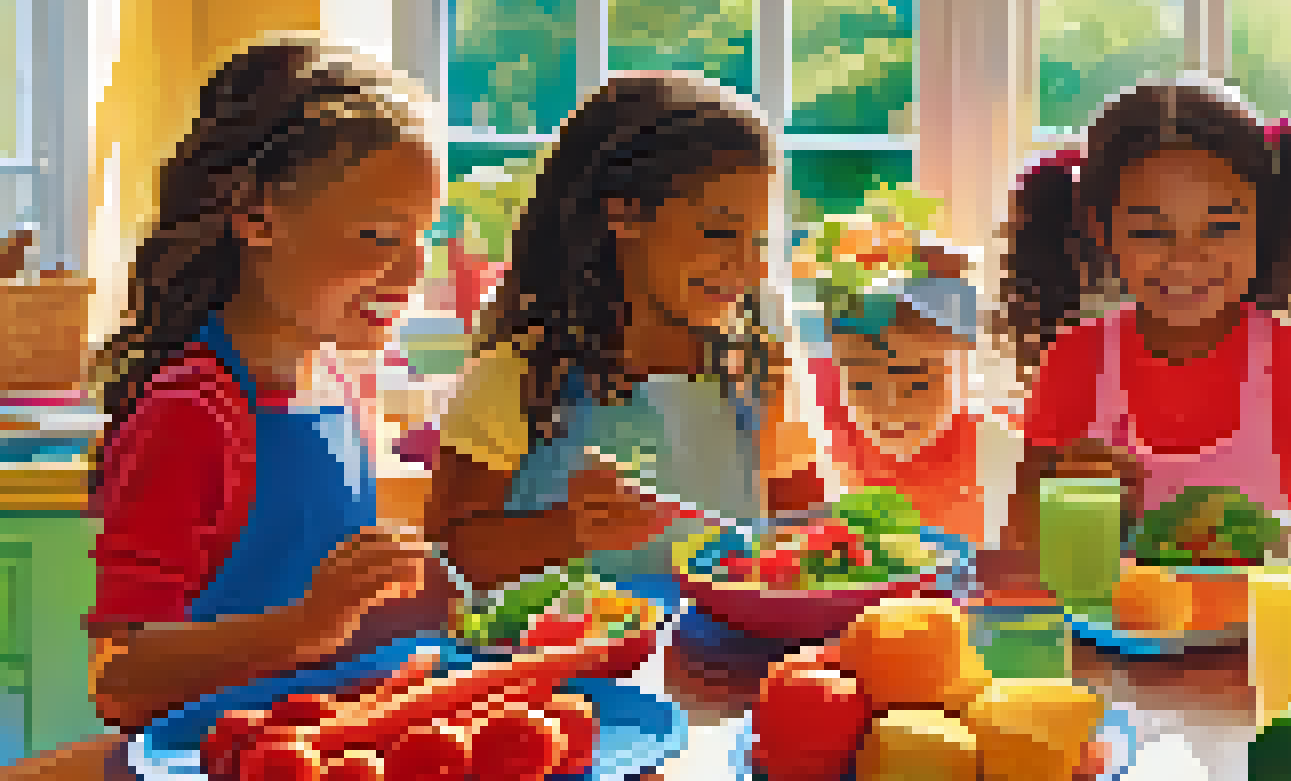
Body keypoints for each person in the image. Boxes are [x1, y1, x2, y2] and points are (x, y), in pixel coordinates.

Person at [85, 37, 444, 730]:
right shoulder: (189, 413)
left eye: (421, 237)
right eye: (377, 235)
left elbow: (329, 616)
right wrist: (305, 627)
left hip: (330, 765)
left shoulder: (339, 382)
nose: (409, 275)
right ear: (256, 217)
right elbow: (123, 680)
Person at [428, 73, 821, 590]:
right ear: (625, 213)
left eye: (760, 241)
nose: (751, 268)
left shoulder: (758, 376)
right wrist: (566, 530)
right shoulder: (521, 376)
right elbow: (448, 558)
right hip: (562, 667)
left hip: (720, 663)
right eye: (721, 232)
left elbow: (811, 535)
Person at [994, 83, 1291, 566]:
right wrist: (1068, 502)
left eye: (1220, 227)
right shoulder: (1074, 362)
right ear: (1100, 229)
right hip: (1109, 639)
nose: (1186, 259)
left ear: (1265, 223)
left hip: (1257, 636)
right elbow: (1018, 552)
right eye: (1152, 231)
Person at [800, 225, 1019, 547]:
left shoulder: (1000, 454)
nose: (889, 406)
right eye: (861, 383)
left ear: (963, 365)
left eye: (917, 382)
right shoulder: (827, 435)